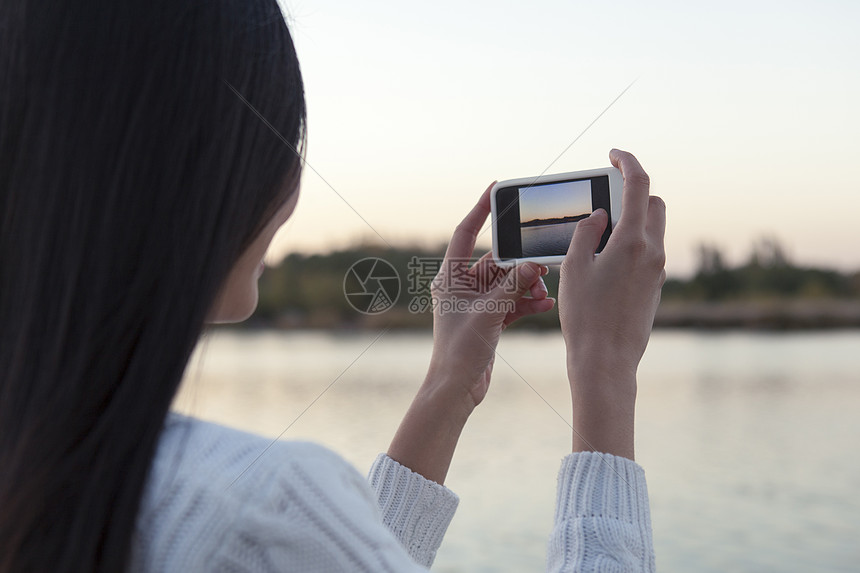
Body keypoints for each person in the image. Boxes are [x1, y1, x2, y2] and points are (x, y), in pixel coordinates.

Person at [0, 0, 665, 571]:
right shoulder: (260, 506)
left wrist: (449, 382)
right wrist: (603, 367)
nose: (290, 188)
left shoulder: (59, 464)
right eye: (284, 146)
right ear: (202, 169)